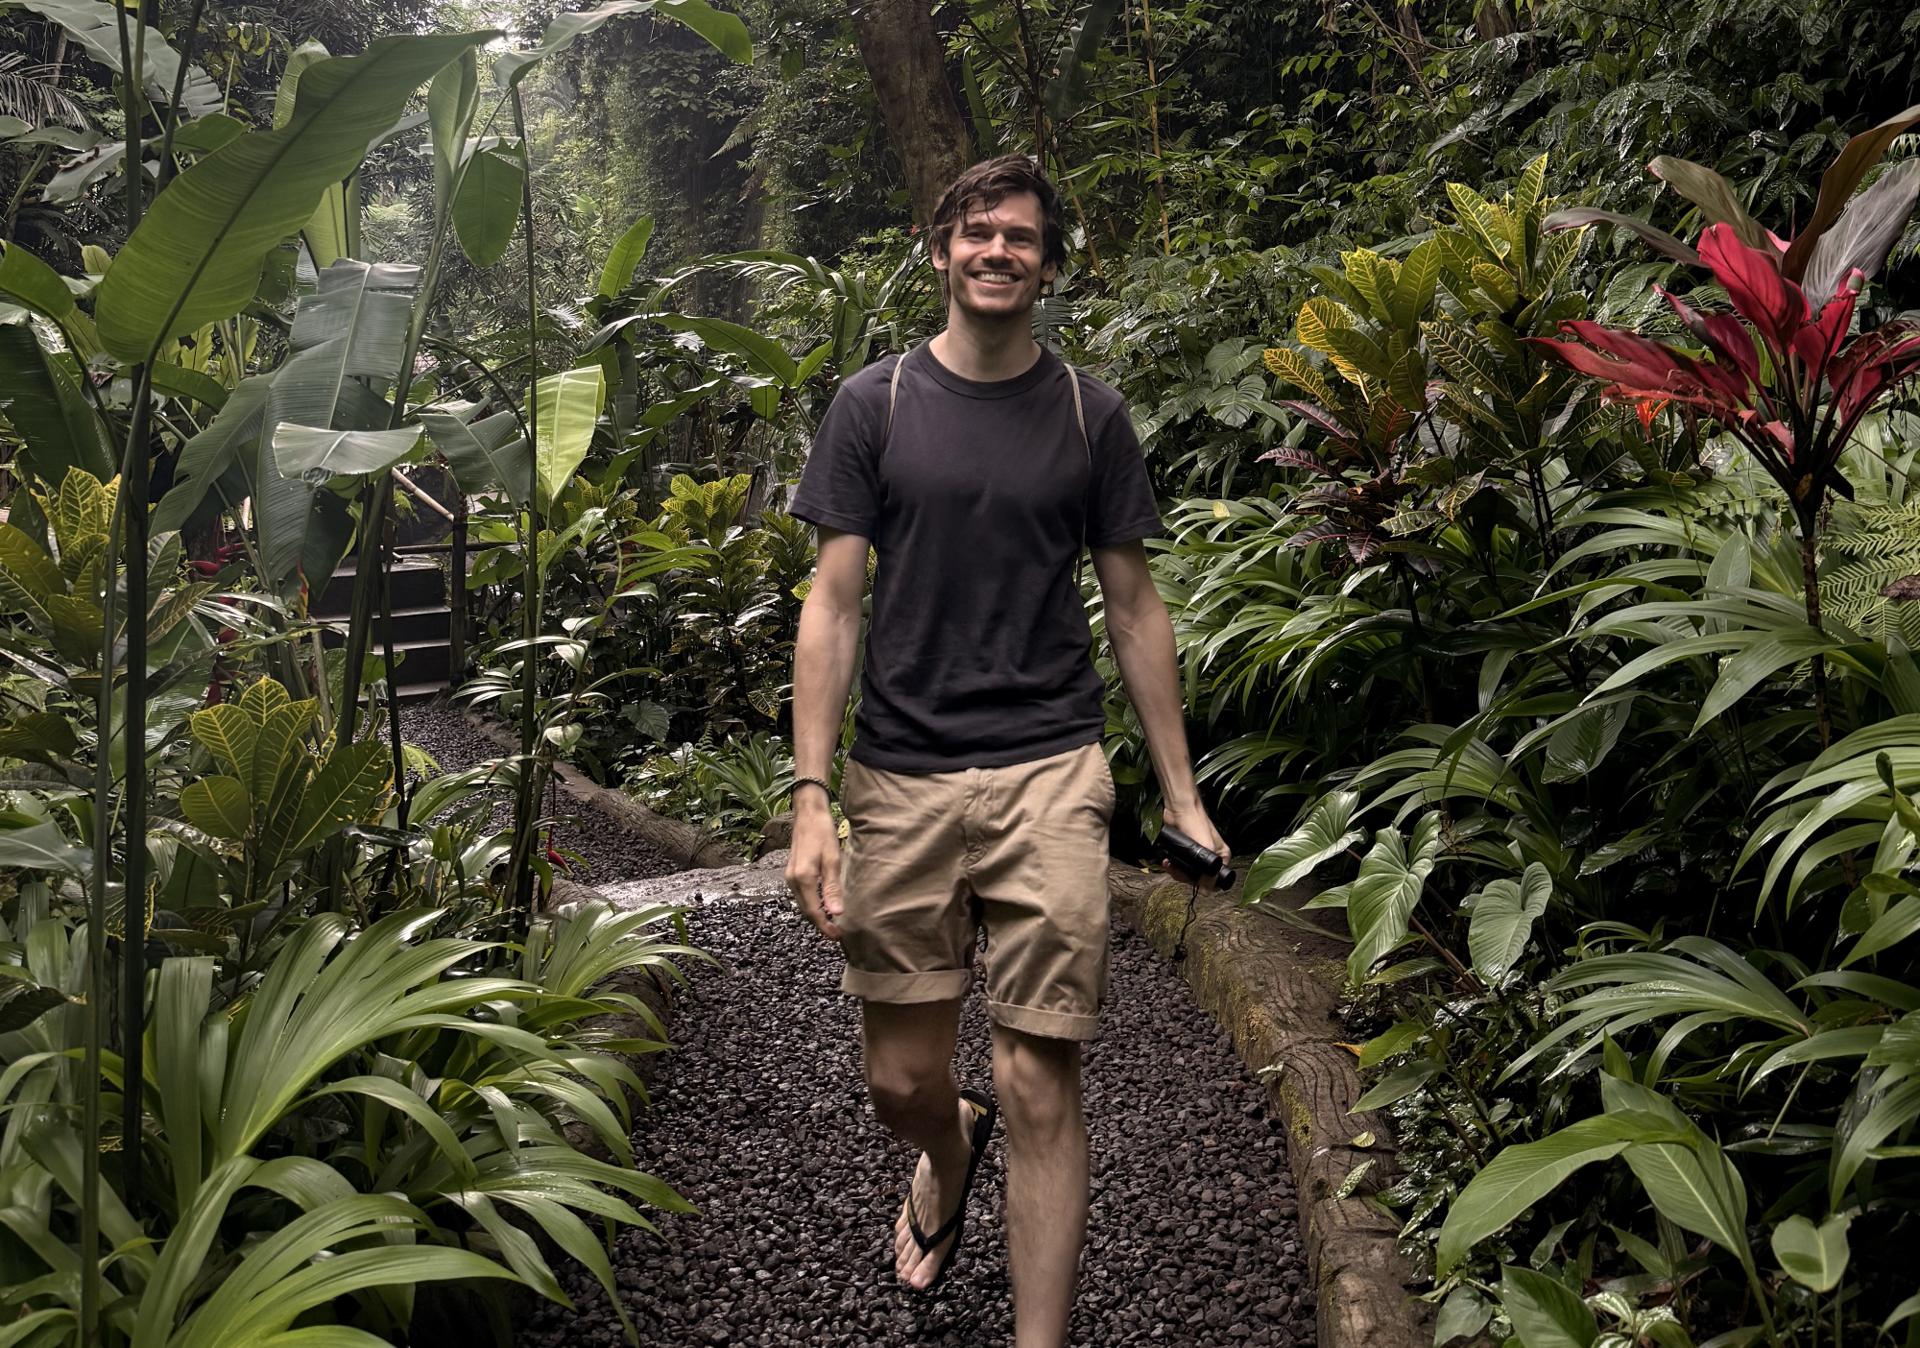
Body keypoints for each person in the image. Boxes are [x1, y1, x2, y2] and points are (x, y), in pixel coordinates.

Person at [783, 154, 1230, 1348]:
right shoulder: (872, 407)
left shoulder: (1092, 414)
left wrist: (1182, 794)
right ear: (939, 251)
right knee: (901, 1080)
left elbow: (1134, 606)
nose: (996, 251)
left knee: (1043, 1079)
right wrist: (812, 796)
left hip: (1049, 768)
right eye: (977, 232)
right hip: (901, 773)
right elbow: (831, 604)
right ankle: (946, 1143)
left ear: (1047, 263)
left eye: (1020, 237)